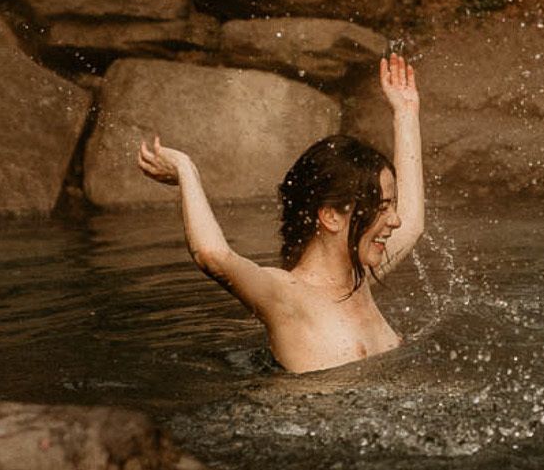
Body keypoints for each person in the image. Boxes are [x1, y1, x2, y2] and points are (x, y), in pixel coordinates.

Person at [135, 53, 424, 374]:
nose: (394, 220)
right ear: (330, 217)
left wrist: (406, 113)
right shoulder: (285, 296)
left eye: (392, 206)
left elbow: (412, 223)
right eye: (381, 208)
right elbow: (212, 256)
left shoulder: (359, 279)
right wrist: (186, 170)